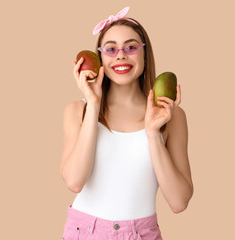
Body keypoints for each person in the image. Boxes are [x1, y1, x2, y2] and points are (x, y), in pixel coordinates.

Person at [59, 6, 194, 240]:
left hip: (142, 233)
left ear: (145, 54)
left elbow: (179, 202)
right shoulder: (77, 111)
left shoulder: (171, 116)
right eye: (110, 49)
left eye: (131, 47)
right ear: (100, 57)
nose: (121, 55)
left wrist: (153, 134)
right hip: (84, 232)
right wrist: (93, 104)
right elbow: (74, 181)